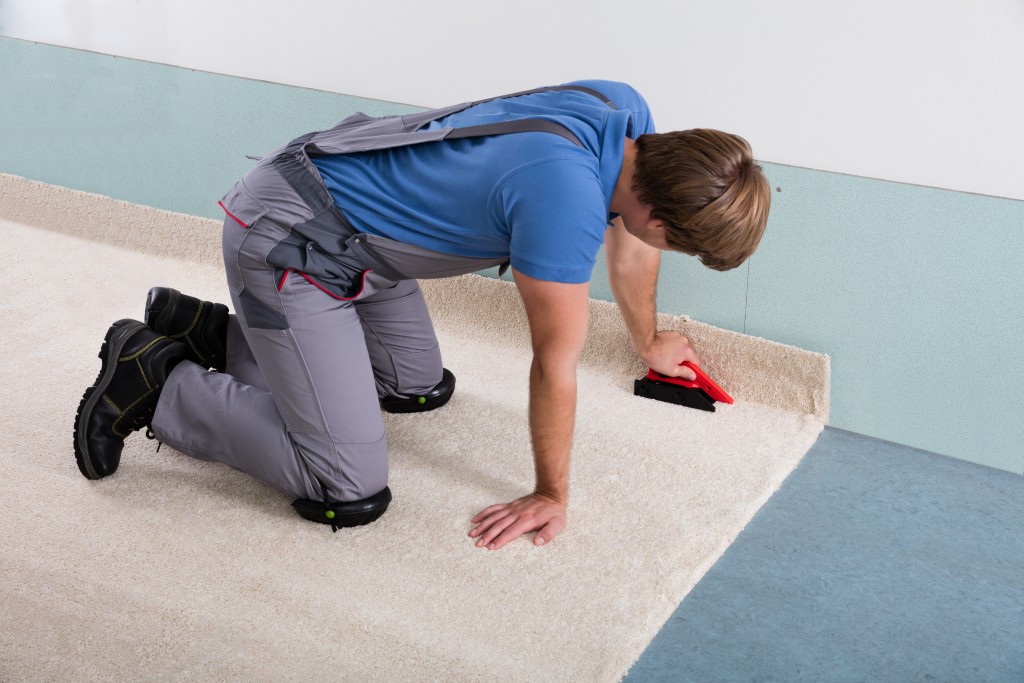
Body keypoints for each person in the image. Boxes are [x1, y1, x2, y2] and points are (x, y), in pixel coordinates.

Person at [73, 80, 770, 549]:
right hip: (291, 241)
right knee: (344, 482)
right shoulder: (563, 201)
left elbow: (632, 242)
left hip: (365, 245)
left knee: (416, 386)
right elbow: (554, 365)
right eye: (675, 240)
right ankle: (156, 379)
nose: (660, 247)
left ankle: (216, 334)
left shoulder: (624, 116)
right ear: (658, 213)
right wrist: (550, 492)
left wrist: (648, 339)